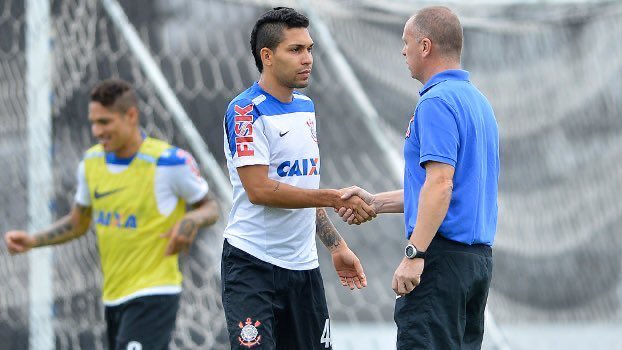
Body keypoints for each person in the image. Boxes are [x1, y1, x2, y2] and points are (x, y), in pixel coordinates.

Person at [4, 79, 220, 350]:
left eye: (104, 122)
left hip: (154, 292)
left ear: (130, 116)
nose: (97, 131)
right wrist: (33, 241)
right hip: (114, 296)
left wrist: (191, 219)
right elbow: (78, 223)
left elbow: (210, 207)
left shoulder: (169, 162)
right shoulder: (91, 163)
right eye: (93, 122)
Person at [338, 6, 500, 350]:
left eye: (406, 42)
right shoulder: (479, 102)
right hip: (475, 265)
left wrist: (415, 254)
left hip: (439, 262)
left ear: (425, 46)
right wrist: (375, 202)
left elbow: (440, 186)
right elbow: (445, 189)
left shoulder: (436, 102)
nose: (403, 51)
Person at [222, 7, 374, 349]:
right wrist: (334, 197)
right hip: (253, 267)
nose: (307, 58)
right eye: (295, 50)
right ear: (267, 56)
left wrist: (337, 246)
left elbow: (303, 188)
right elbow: (259, 190)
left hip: (304, 269)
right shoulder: (246, 111)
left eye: (310, 49)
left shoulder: (305, 107)